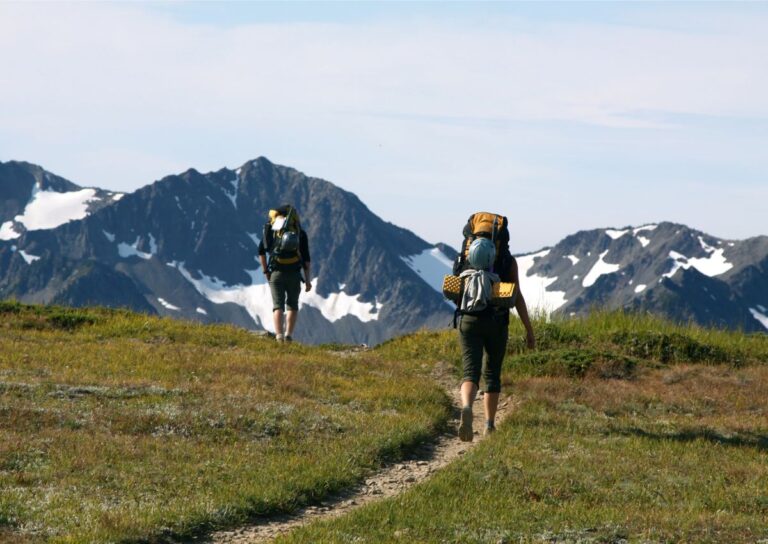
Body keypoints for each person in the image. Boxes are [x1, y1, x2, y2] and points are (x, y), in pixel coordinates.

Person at [457, 236, 535, 442]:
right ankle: (489, 425)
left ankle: (466, 406)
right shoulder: (508, 262)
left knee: (469, 372)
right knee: (492, 374)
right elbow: (517, 297)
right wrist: (529, 329)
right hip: (496, 323)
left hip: (468, 322)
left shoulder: (463, 261)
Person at [258, 205, 312, 342]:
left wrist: (266, 271)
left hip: (276, 273)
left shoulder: (271, 230)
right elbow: (306, 260)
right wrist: (308, 280)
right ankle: (288, 335)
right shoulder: (299, 232)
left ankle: (279, 336)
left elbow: (261, 252)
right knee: (292, 305)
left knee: (278, 306)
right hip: (294, 273)